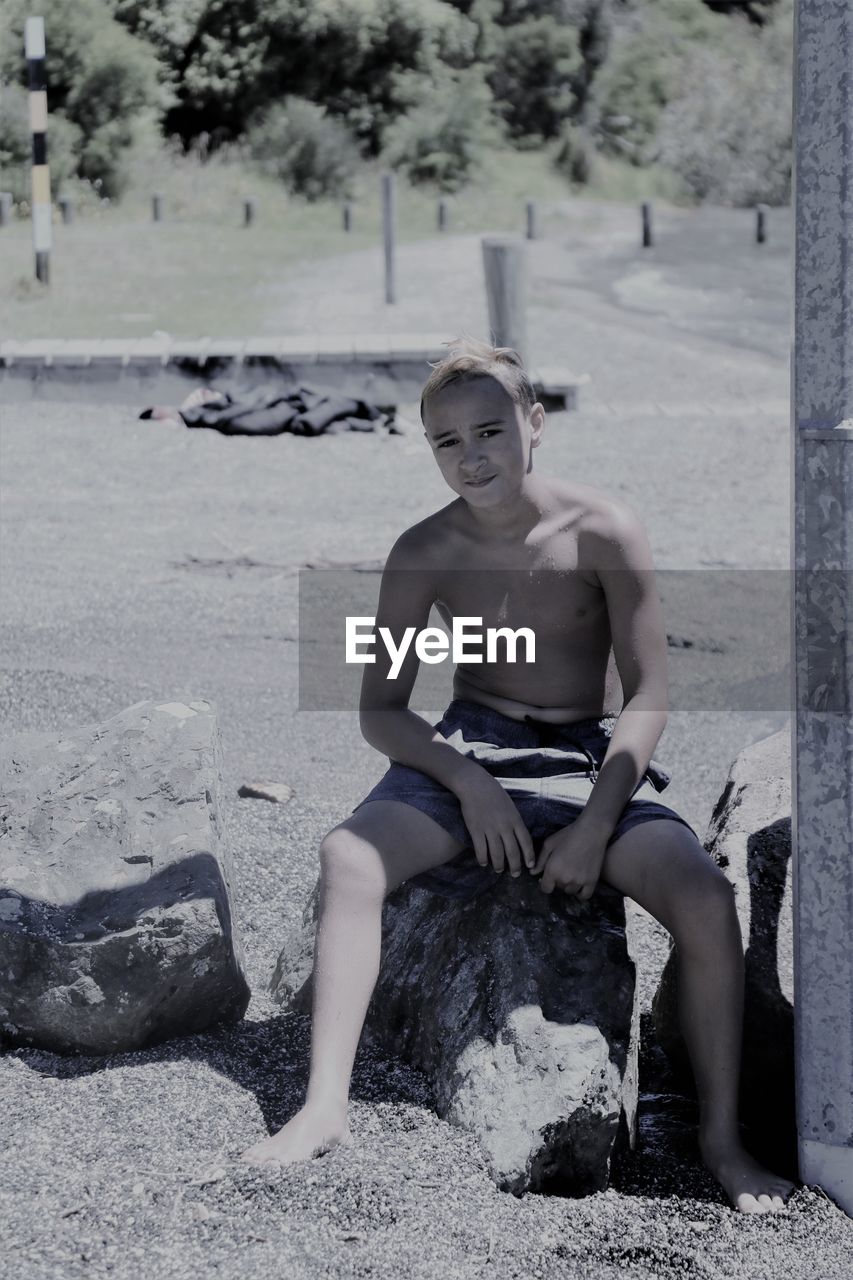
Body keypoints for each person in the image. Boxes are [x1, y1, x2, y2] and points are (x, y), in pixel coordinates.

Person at [240, 337, 794, 1214]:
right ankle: (322, 1107)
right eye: (447, 442)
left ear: (535, 424)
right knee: (348, 857)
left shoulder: (603, 530)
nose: (472, 457)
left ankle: (720, 1140)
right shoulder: (423, 549)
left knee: (705, 899)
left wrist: (594, 823)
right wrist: (466, 780)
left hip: (585, 756)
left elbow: (649, 694)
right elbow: (380, 710)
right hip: (477, 746)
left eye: (490, 431)